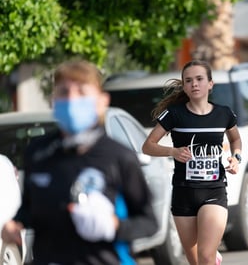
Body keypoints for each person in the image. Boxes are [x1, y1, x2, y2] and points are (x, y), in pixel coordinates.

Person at [1, 60, 157, 265]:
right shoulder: (38, 153)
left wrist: (115, 226)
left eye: (82, 92)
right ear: (53, 100)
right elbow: (30, 209)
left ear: (102, 101)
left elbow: (148, 223)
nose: (72, 99)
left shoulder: (119, 157)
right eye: (64, 92)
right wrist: (15, 224)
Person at [142, 59, 242, 265]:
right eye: (188, 81)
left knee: (205, 256)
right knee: (195, 260)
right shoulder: (174, 115)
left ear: (210, 84)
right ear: (184, 86)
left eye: (199, 79)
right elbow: (148, 145)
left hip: (214, 191)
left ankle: (211, 256)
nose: (194, 84)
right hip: (183, 193)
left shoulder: (223, 114)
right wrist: (173, 151)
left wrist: (236, 157)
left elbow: (235, 138)